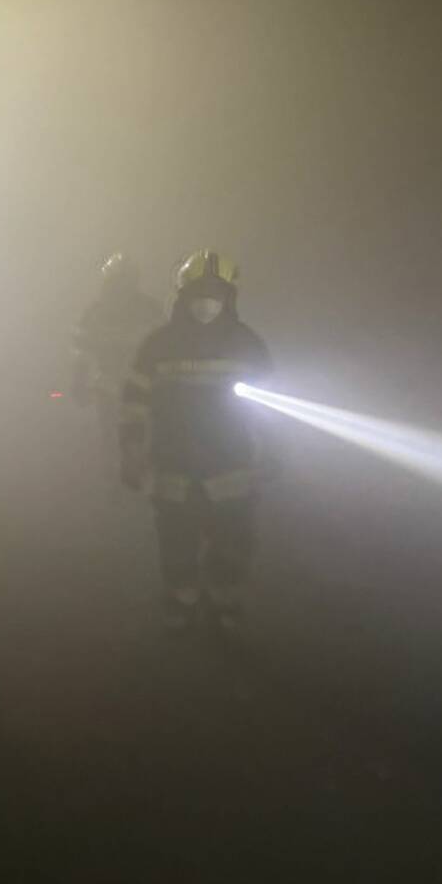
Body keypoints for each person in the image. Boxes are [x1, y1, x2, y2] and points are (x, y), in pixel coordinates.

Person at [119, 250, 274, 630]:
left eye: (215, 295)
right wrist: (132, 453)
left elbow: (269, 408)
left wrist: (273, 452)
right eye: (198, 295)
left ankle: (224, 600)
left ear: (229, 298)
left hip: (230, 463)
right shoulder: (157, 345)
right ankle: (181, 598)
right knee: (176, 537)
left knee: (234, 537)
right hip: (174, 461)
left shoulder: (248, 345)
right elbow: (135, 403)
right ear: (182, 297)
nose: (206, 304)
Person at [70, 252, 165, 473]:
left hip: (143, 388)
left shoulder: (150, 310)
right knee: (112, 439)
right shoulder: (94, 313)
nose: (122, 286)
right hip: (111, 388)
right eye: (118, 280)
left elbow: (165, 347)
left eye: (126, 280)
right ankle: (117, 482)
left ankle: (137, 478)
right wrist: (79, 382)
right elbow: (81, 351)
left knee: (143, 437)